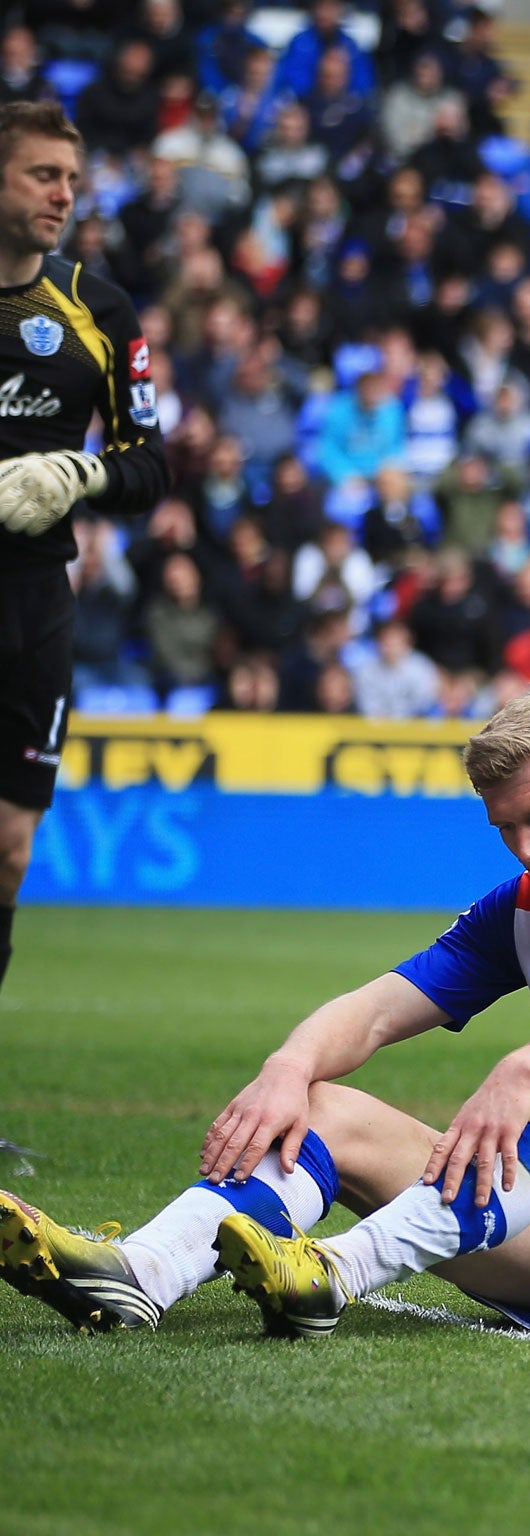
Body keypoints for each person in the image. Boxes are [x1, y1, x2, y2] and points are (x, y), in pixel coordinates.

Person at [1, 693, 530, 1337]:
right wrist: (288, 1069)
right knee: (321, 1107)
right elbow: (371, 1012)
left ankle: (332, 1275)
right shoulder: (525, 911)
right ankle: (141, 1273)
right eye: (508, 827)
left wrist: (527, 1066)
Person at [0, 103, 170, 1003]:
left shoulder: (98, 306)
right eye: (41, 175)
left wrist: (78, 471)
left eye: (70, 178)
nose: (62, 195)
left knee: (9, 853)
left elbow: (150, 464)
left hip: (34, 605)